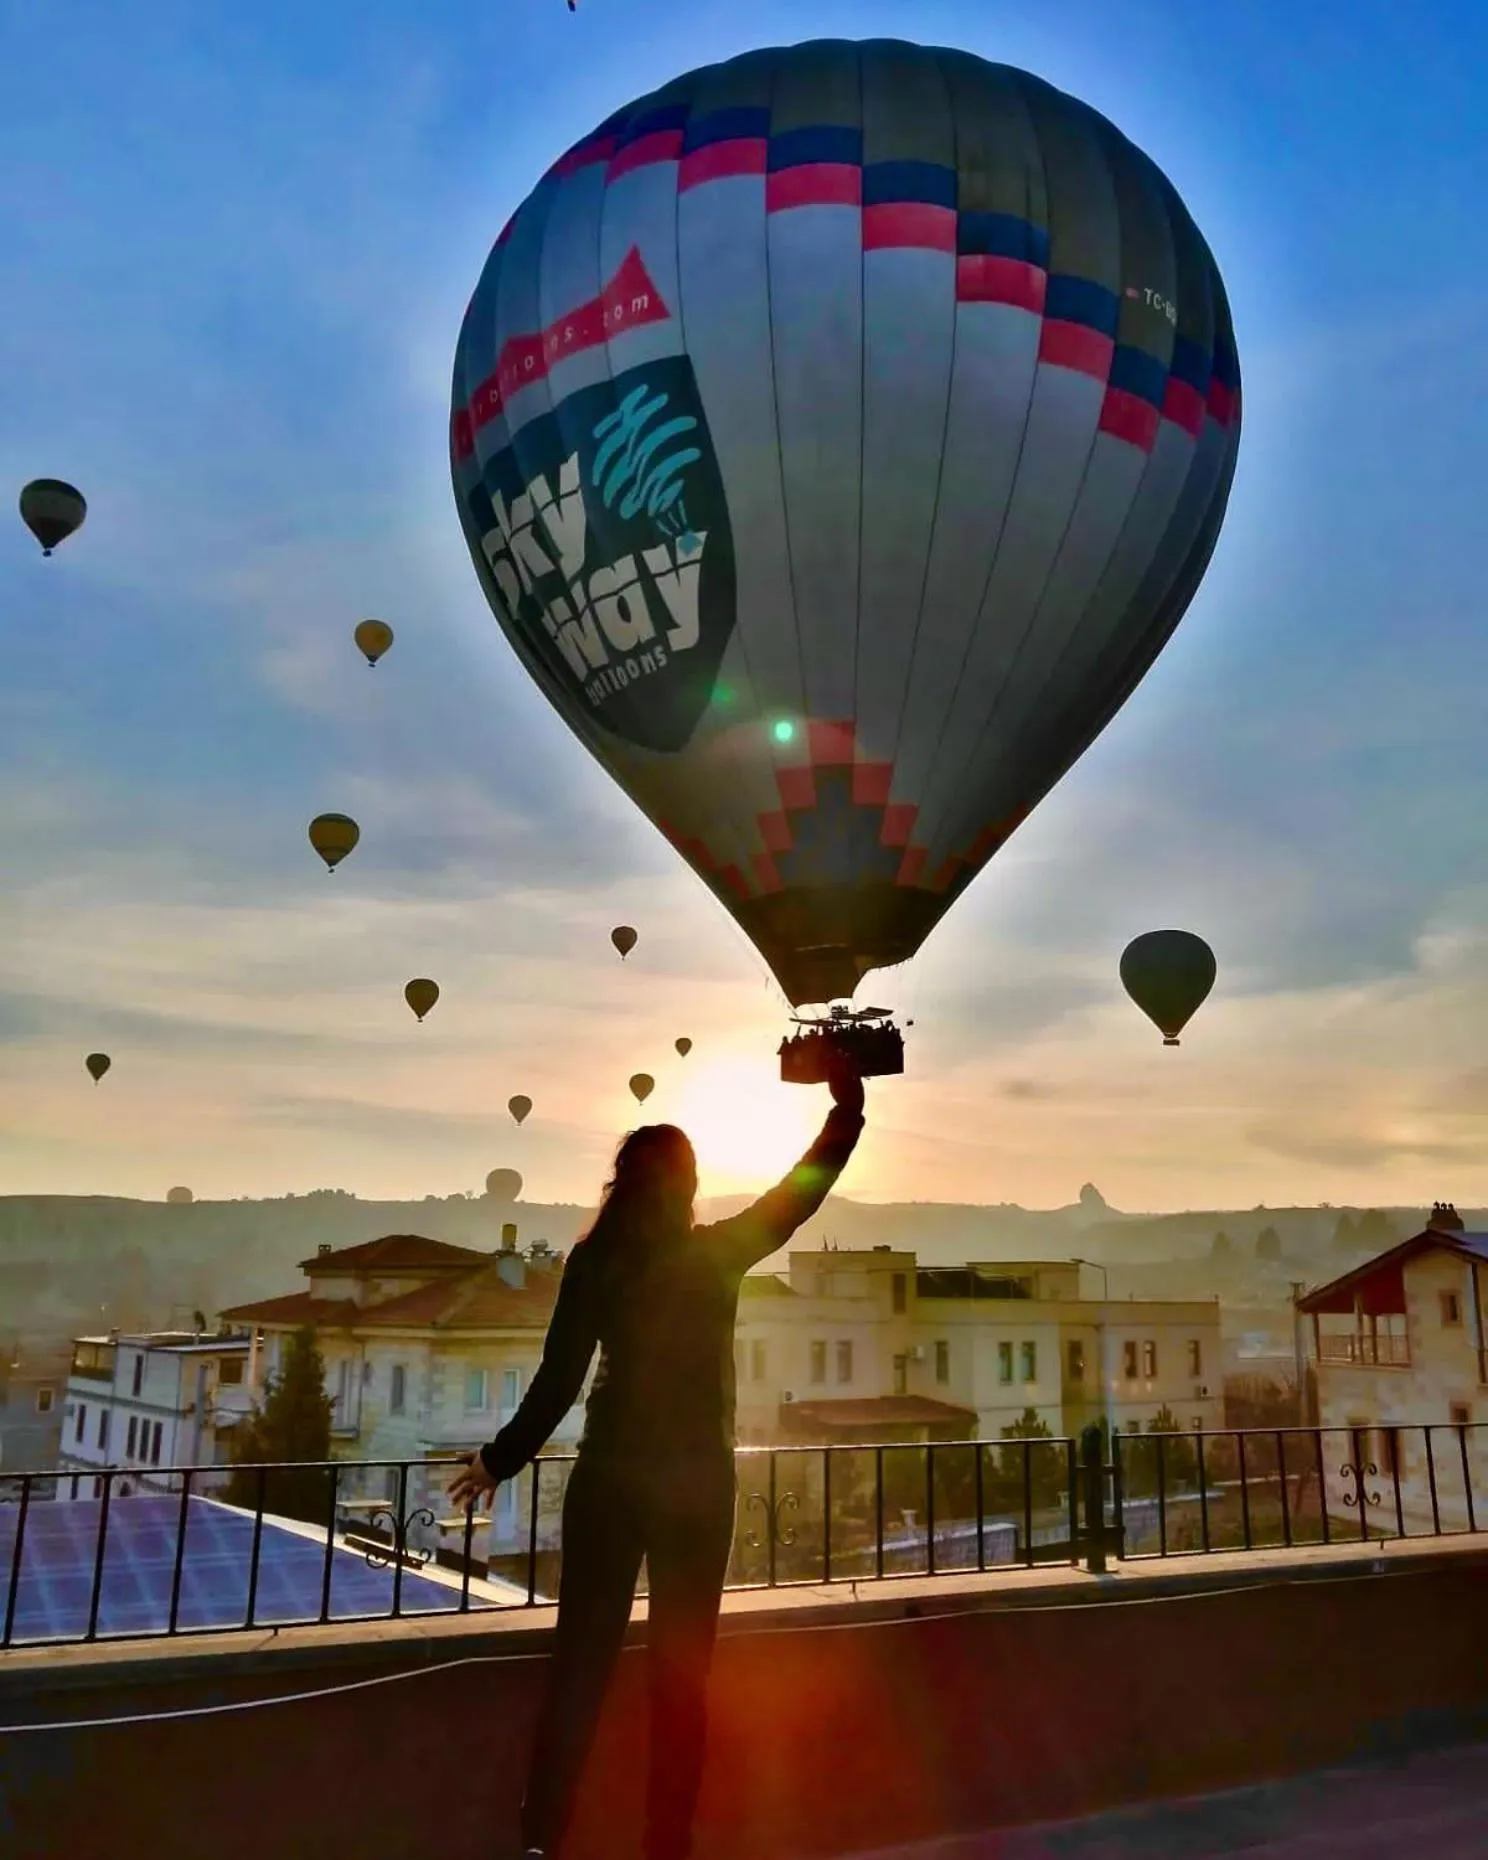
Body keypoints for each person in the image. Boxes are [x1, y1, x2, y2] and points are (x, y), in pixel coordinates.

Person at [448, 1054, 866, 1860]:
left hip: (609, 1478)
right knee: (683, 1682)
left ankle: (541, 1840)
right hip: (697, 1484)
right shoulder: (716, 1253)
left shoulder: (595, 1262)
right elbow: (801, 1192)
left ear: (621, 1185)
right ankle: (667, 1845)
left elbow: (560, 1379)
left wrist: (499, 1461)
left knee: (580, 1670)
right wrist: (847, 1105)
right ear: (687, 1189)